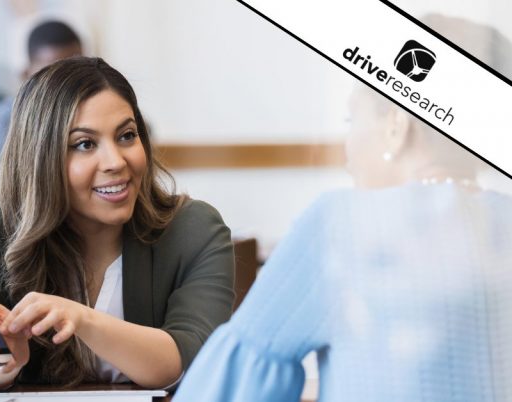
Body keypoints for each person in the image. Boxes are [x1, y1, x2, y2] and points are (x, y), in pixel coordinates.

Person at [174, 15, 512, 402]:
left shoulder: (342, 223)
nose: (347, 148)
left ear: (396, 127)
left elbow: (228, 389)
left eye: (353, 119)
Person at [0, 56, 236, 391]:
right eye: (85, 144)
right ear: (41, 158)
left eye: (127, 136)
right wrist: (2, 361)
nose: (116, 161)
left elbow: (191, 360)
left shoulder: (194, 229)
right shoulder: (0, 221)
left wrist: (82, 319)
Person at [0, 20, 83, 156]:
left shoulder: (94, 115)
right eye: (52, 75)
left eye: (75, 72)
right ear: (26, 75)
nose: (65, 83)